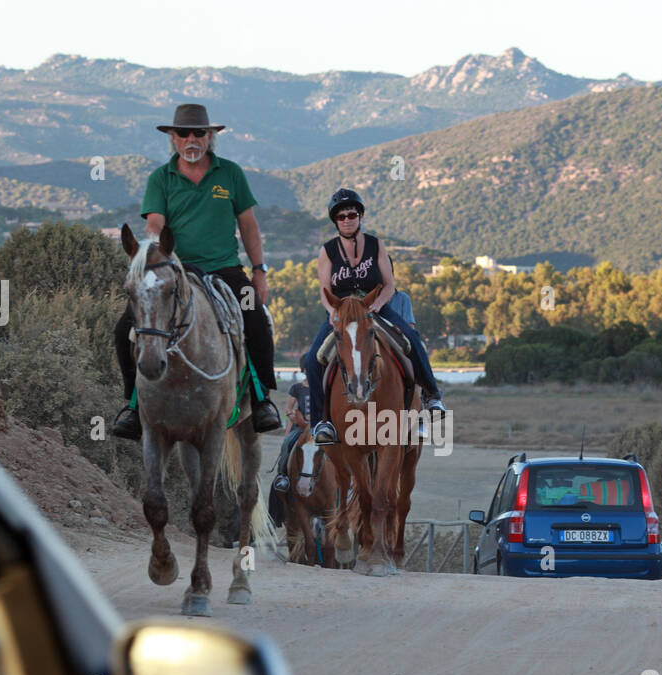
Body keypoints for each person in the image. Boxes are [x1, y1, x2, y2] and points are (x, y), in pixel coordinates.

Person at [111, 103, 281, 439]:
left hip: (226, 269)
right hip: (177, 270)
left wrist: (258, 271)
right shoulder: (160, 178)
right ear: (172, 138)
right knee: (123, 330)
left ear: (210, 137)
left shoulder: (230, 173)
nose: (192, 139)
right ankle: (132, 406)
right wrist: (156, 255)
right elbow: (156, 223)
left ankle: (263, 400)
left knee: (257, 319)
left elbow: (248, 224)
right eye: (184, 133)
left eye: (199, 133)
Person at [303, 188, 446, 446]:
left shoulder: (376, 244)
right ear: (335, 220)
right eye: (342, 216)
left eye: (352, 214)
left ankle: (432, 396)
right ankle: (320, 423)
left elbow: (389, 284)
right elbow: (325, 291)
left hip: (374, 305)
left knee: (411, 338)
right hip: (343, 312)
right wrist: (334, 313)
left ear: (360, 216)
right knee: (315, 358)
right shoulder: (327, 251)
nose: (347, 219)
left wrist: (377, 305)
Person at [272, 357, 312, 493]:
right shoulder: (297, 388)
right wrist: (292, 416)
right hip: (300, 427)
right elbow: (289, 408)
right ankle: (282, 476)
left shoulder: (320, 388)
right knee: (287, 444)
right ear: (305, 370)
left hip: (316, 427)